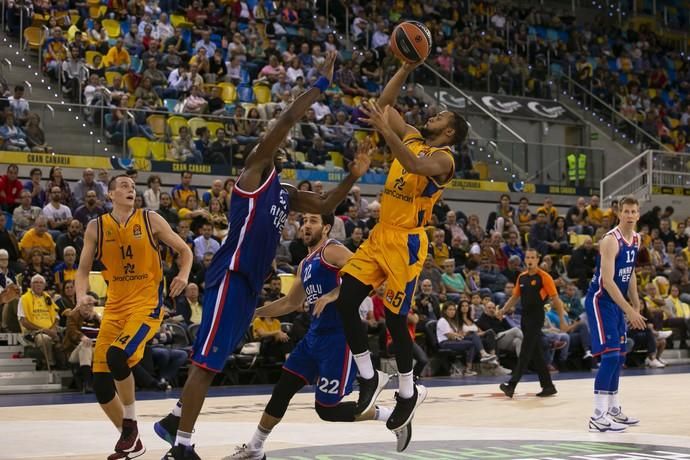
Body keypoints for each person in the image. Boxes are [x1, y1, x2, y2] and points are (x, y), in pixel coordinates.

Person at [153, 51, 372, 460]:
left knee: (214, 360)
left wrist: (353, 176)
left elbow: (325, 206)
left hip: (250, 285)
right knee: (206, 364)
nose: (270, 143)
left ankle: (173, 419)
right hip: (231, 275)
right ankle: (180, 446)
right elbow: (287, 121)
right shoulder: (253, 173)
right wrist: (320, 85)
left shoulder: (285, 193)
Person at [325, 58, 468, 435]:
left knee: (393, 319)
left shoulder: (444, 159)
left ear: (449, 131)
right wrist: (404, 68)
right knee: (345, 301)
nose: (432, 116)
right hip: (380, 234)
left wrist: (386, 133)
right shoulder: (415, 136)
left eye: (440, 116)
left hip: (407, 242)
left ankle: (408, 391)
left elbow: (412, 164)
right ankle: (369, 378)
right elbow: (384, 108)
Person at [231, 213, 411, 459]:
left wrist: (333, 294)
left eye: (313, 221)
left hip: (339, 340)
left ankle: (393, 416)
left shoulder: (333, 250)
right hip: (313, 337)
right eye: (304, 221)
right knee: (282, 390)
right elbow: (291, 303)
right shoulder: (305, 264)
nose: (306, 225)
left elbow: (367, 276)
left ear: (326, 228)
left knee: (327, 410)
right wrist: (254, 312)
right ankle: (255, 448)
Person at [74, 174, 193, 460]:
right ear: (110, 194)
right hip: (115, 307)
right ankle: (133, 442)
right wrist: (81, 296)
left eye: (132, 186)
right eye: (123, 186)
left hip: (146, 304)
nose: (130, 189)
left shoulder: (150, 219)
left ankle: (130, 424)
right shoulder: (96, 227)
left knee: (117, 356)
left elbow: (185, 250)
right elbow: (81, 270)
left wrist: (183, 275)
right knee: (100, 383)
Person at [584, 196, 647, 432]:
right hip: (601, 301)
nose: (630, 215)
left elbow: (629, 273)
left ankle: (613, 408)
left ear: (638, 215)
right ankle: (597, 415)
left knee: (620, 356)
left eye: (634, 211)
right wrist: (628, 310)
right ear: (619, 214)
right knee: (610, 356)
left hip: (617, 304)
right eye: (626, 211)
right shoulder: (610, 240)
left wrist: (636, 304)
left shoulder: (637, 239)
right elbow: (608, 282)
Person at [498, 248, 567, 398]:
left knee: (525, 352)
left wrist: (562, 320)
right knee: (536, 354)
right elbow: (514, 297)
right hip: (525, 317)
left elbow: (556, 300)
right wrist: (503, 310)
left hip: (536, 317)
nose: (529, 260)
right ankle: (548, 386)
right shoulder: (521, 277)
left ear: (537, 259)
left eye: (532, 257)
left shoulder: (544, 277)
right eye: (527, 257)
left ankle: (511, 385)